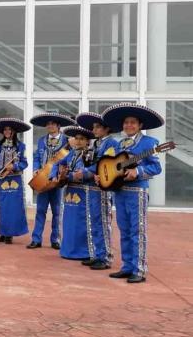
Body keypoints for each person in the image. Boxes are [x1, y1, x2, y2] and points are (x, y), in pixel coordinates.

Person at [102, 103, 164, 284]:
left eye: (133, 123)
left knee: (138, 230)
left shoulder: (149, 143)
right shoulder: (120, 143)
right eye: (126, 123)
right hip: (120, 191)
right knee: (124, 230)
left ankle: (140, 269)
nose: (129, 125)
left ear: (140, 125)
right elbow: (115, 167)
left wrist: (137, 172)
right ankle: (127, 266)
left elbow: (156, 167)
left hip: (137, 191)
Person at [76, 112, 119, 270]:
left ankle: (106, 256)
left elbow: (105, 164)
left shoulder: (112, 144)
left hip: (103, 187)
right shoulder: (95, 144)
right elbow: (91, 162)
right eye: (94, 127)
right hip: (93, 186)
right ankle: (96, 254)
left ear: (107, 129)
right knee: (93, 220)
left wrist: (87, 172)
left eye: (98, 127)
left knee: (103, 221)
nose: (94, 130)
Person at [28, 112, 75, 250]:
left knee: (57, 211)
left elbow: (69, 159)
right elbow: (37, 157)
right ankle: (36, 239)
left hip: (57, 180)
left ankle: (55, 239)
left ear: (58, 126)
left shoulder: (67, 141)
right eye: (48, 124)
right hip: (42, 178)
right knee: (40, 210)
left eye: (53, 124)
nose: (50, 126)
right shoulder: (42, 140)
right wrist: (36, 168)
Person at [50, 125, 97, 261]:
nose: (78, 141)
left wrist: (74, 175)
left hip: (84, 193)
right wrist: (55, 175)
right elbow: (56, 162)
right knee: (69, 222)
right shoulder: (71, 153)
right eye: (76, 139)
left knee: (82, 222)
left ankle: (84, 252)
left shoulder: (91, 154)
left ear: (88, 141)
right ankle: (68, 250)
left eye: (82, 139)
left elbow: (92, 171)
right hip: (69, 192)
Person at [0, 118, 31, 244]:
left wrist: (15, 167)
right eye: (5, 129)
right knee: (3, 206)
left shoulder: (21, 146)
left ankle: (10, 234)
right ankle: (3, 232)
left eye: (9, 129)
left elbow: (25, 163)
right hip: (2, 179)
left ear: (14, 131)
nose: (7, 131)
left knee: (14, 207)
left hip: (15, 179)